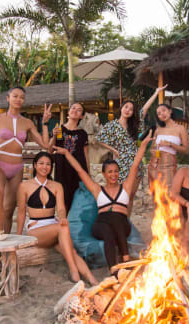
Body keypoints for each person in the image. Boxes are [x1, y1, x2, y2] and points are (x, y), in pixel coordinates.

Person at [53, 131, 153, 274]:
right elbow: (80, 171)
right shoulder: (97, 189)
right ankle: (116, 269)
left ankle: (122, 261)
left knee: (117, 219)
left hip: (122, 225)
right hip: (101, 225)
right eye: (110, 172)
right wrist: (67, 153)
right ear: (104, 174)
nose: (113, 175)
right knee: (108, 232)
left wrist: (143, 146)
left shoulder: (125, 187)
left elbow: (135, 165)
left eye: (116, 171)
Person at [17, 152, 98, 285]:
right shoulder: (24, 186)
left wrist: (62, 217)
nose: (45, 167)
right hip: (36, 229)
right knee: (62, 228)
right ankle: (74, 273)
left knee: (71, 250)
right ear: (35, 165)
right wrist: (18, 238)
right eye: (41, 163)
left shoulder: (56, 186)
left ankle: (91, 279)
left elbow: (60, 209)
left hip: (55, 228)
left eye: (48, 164)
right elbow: (20, 213)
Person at [0, 86, 52, 234]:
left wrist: (44, 123)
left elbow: (45, 145)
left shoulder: (27, 122)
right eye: (15, 96)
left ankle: (5, 242)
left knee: (9, 208)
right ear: (8, 98)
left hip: (17, 167)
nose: (18, 99)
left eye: (21, 97)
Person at [96, 101, 141, 216]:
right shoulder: (112, 125)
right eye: (126, 107)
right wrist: (113, 150)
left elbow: (143, 110)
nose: (128, 110)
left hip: (135, 163)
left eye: (131, 109)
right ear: (121, 108)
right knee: (121, 195)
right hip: (120, 163)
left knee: (130, 196)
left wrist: (156, 93)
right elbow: (99, 139)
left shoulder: (133, 126)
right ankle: (117, 220)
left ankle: (127, 221)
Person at [141, 85, 189, 189]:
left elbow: (186, 150)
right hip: (154, 164)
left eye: (163, 110)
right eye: (159, 113)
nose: (162, 114)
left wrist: (170, 144)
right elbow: (152, 149)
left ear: (170, 111)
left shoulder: (180, 129)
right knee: (155, 194)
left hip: (169, 164)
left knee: (170, 194)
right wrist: (153, 148)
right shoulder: (158, 130)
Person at [49, 103, 89, 213]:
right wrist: (53, 136)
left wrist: (88, 175)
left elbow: (86, 155)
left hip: (77, 171)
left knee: (77, 202)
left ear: (81, 116)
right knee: (62, 201)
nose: (75, 110)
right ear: (68, 111)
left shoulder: (83, 134)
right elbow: (50, 150)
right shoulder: (59, 129)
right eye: (73, 108)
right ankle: (64, 227)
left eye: (79, 110)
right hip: (62, 170)